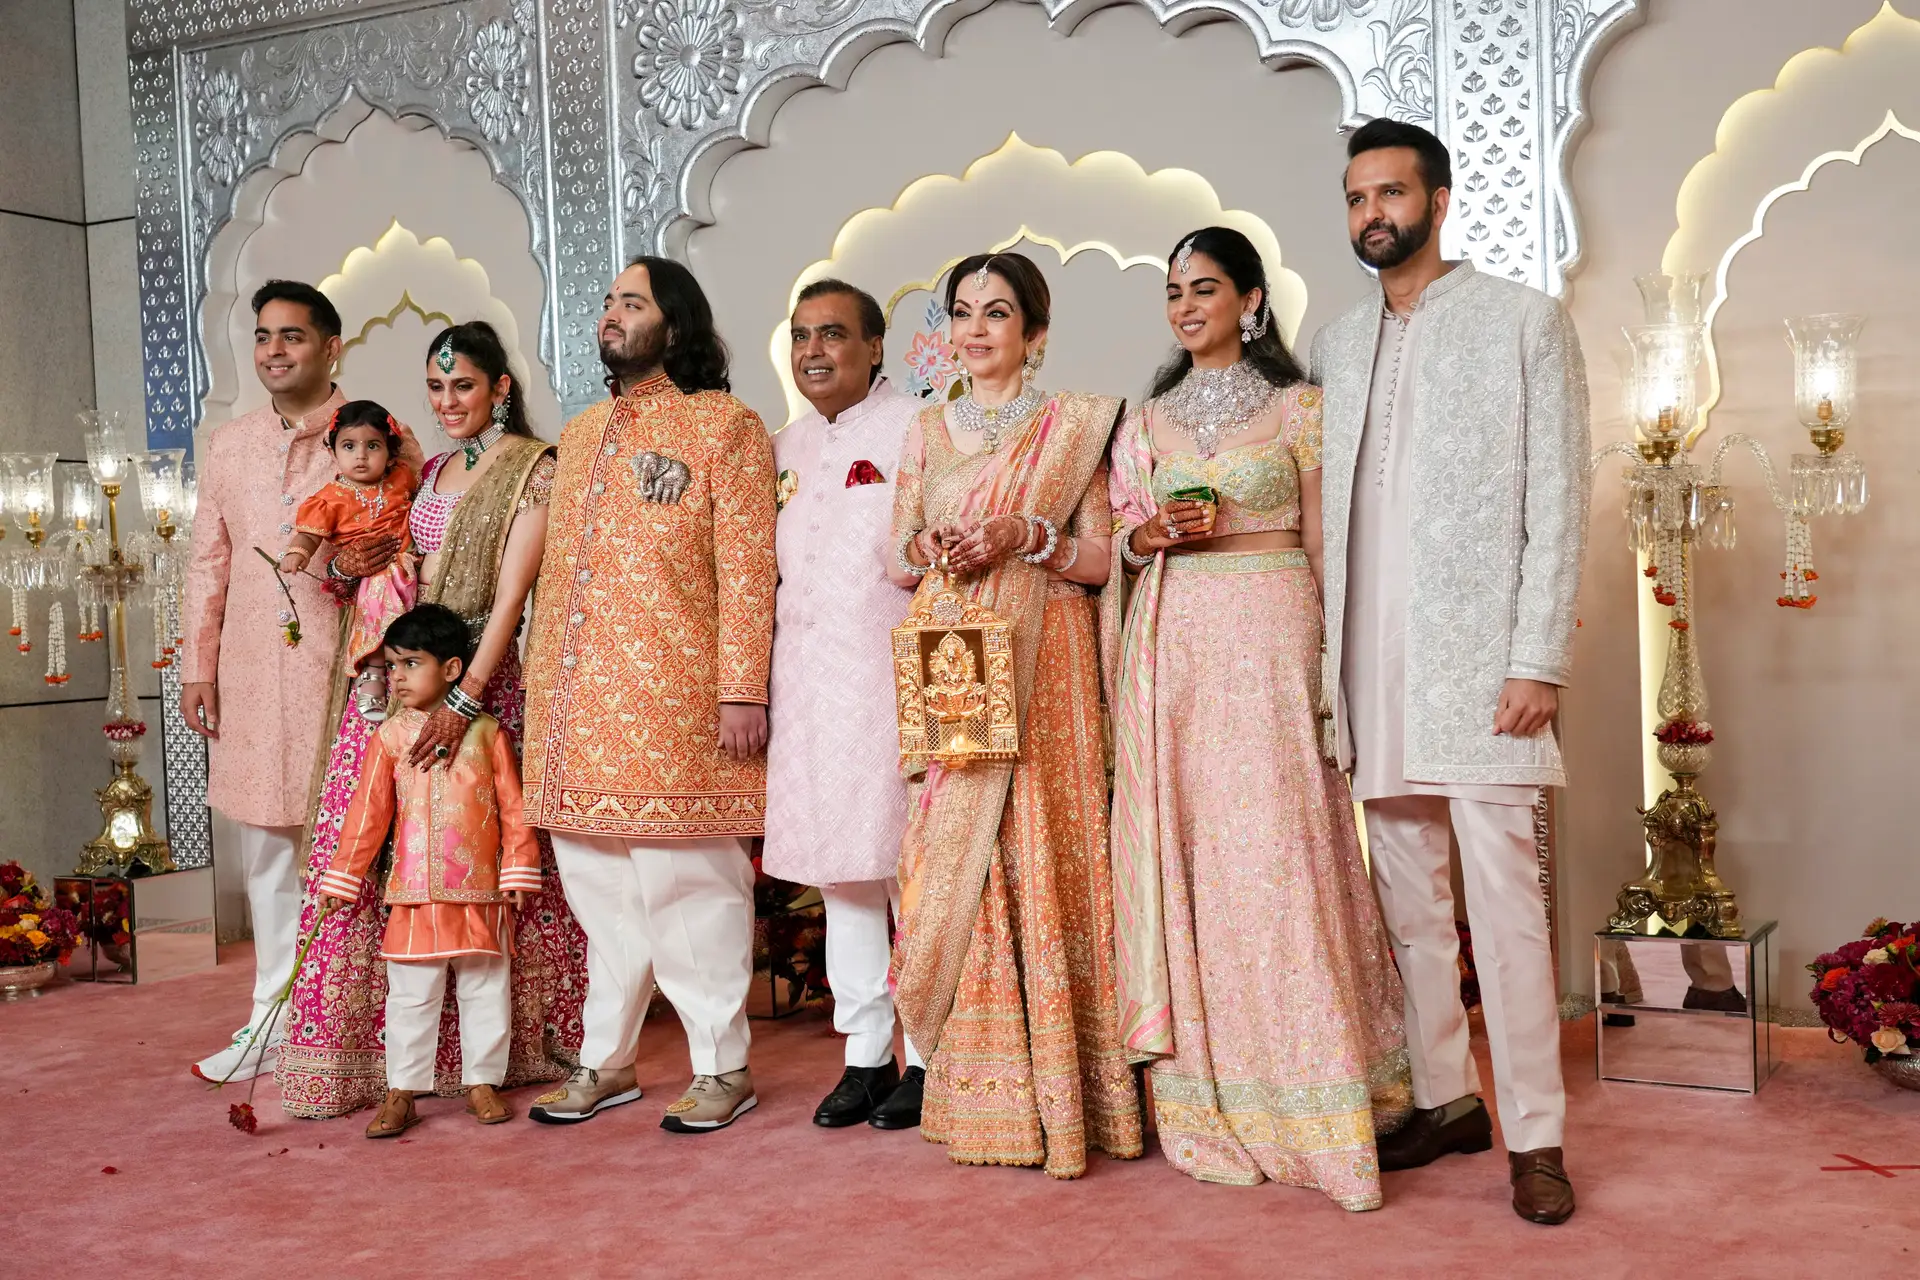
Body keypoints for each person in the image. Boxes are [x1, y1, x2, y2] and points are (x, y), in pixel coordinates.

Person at [1312, 119, 1591, 1225]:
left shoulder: (1524, 322)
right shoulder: (1335, 343)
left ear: (1438, 198)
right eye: (1354, 197)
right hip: (1370, 665)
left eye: (1389, 192)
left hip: (1484, 670)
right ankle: (1447, 1095)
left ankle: (1537, 1131)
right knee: (1410, 904)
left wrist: (1539, 658)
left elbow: (1560, 502)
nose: (1370, 213)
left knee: (1508, 911)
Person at [1106, 227, 1413, 1209]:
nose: (1186, 305)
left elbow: (1327, 537)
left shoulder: (1299, 408)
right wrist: (1148, 532)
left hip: (1275, 630)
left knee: (1283, 846)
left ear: (1250, 299)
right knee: (1200, 852)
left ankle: (1321, 1084)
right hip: (1180, 642)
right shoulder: (1145, 420)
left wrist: (1338, 664)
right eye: (1173, 292)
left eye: (1205, 288)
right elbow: (1120, 535)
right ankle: (1211, 1083)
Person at [277, 321, 587, 1119]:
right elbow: (391, 563)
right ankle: (385, 1066)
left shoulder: (533, 468)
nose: (449, 402)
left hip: (481, 684)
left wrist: (462, 696)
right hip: (405, 682)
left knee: (483, 859)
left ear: (500, 389)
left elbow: (513, 595)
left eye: (464, 386)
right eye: (437, 388)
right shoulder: (435, 468)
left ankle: (490, 1058)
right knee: (381, 853)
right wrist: (353, 571)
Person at [888, 251, 1141, 1178]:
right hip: (956, 653)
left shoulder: (1074, 425)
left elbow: (1102, 561)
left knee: (1046, 845)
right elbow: (897, 552)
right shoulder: (925, 428)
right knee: (968, 856)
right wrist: (937, 543)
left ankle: (1079, 1094)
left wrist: (1022, 536)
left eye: (999, 313)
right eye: (963, 312)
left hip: (1050, 658)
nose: (979, 329)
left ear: (1034, 332)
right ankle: (982, 1095)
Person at [519, 257, 776, 1134]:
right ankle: (609, 1059)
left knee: (691, 888)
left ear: (678, 322)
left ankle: (720, 1064)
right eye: (607, 303)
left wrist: (743, 688)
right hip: (577, 705)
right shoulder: (584, 433)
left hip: (677, 699)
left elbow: (746, 567)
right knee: (601, 897)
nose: (612, 315)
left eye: (633, 302)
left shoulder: (726, 427)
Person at [181, 280, 422, 1083]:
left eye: (291, 336)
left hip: (353, 671)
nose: (273, 351)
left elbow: (423, 552)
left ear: (331, 347)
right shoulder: (231, 445)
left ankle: (377, 1030)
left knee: (365, 850)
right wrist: (198, 665)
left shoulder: (378, 436)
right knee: (267, 853)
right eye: (262, 337)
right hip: (253, 673)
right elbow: (208, 564)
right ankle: (271, 1021)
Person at [762, 279, 923, 1129]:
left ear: (874, 349)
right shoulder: (782, 446)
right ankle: (865, 1054)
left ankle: (930, 1057)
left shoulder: (919, 429)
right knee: (842, 874)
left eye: (832, 335)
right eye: (801, 336)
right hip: (809, 684)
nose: (814, 351)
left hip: (894, 678)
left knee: (910, 869)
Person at [317, 604, 543, 1138]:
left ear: (452, 669)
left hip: (481, 892)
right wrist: (343, 879)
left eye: (410, 663)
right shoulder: (391, 739)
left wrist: (516, 872)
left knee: (485, 986)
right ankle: (402, 1089)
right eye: (391, 666)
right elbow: (368, 815)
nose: (395, 677)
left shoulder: (487, 734)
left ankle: (482, 1082)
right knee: (411, 993)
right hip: (413, 892)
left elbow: (515, 809)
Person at [280, 400, 419, 721]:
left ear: (390, 450)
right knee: (378, 591)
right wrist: (296, 554)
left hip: (413, 564)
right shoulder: (328, 499)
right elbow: (308, 536)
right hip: (371, 575)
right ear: (333, 451)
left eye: (373, 445)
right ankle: (371, 672)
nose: (361, 455)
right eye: (349, 446)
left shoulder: (402, 477)